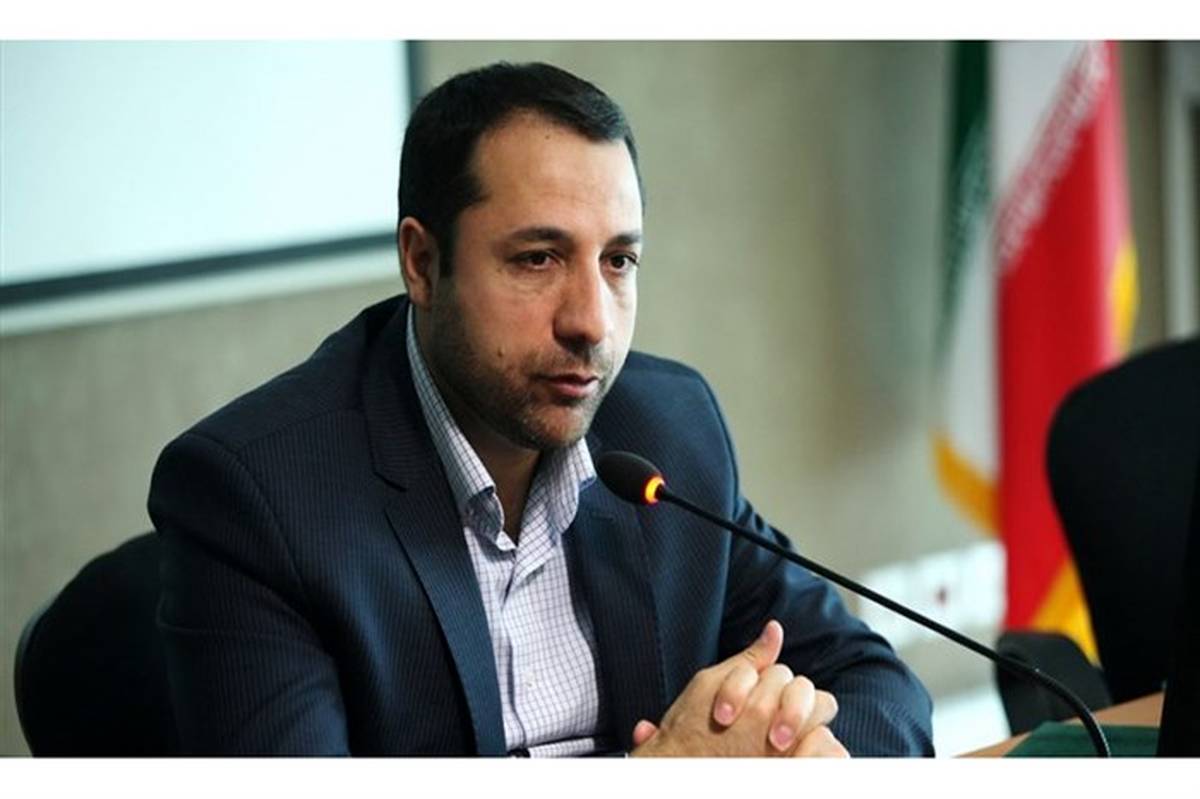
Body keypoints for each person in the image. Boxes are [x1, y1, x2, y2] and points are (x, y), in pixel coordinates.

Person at [149, 61, 934, 757]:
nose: (591, 321)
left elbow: (875, 687)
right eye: (538, 258)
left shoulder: (668, 429)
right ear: (422, 263)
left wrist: (807, 760)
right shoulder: (260, 498)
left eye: (618, 260)